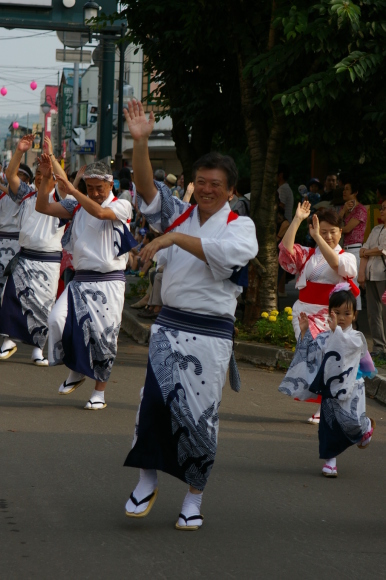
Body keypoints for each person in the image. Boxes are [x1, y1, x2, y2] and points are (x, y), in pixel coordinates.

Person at [122, 99, 258, 530]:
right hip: (170, 326)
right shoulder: (179, 212)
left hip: (212, 333)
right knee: (153, 406)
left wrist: (173, 240)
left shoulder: (240, 225)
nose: (206, 188)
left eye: (215, 183)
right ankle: (146, 480)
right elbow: (146, 191)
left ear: (231, 189)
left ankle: (193, 498)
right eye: (200, 181)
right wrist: (140, 143)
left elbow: (228, 255)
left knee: (199, 417)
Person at [35, 157, 135, 410]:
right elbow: (43, 208)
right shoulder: (78, 205)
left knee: (104, 338)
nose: (95, 192)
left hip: (109, 282)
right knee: (57, 320)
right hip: (80, 280)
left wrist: (76, 191)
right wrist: (47, 179)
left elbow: (100, 212)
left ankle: (99, 391)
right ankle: (77, 370)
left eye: (98, 187)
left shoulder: (122, 205)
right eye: (90, 187)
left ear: (110, 184)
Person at [278, 284, 375, 477]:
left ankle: (365, 427)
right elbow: (311, 354)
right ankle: (331, 461)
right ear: (329, 313)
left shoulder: (356, 337)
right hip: (330, 389)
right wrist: (305, 333)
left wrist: (336, 333)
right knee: (329, 426)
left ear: (355, 315)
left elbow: (348, 347)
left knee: (353, 423)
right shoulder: (324, 337)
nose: (341, 318)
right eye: (336, 312)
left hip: (353, 387)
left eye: (346, 313)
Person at [278, 201, 357, 424]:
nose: (329, 236)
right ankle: (326, 403)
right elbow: (286, 250)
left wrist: (318, 237)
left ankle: (326, 407)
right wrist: (297, 220)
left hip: (329, 316)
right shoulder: (309, 255)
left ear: (341, 232)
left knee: (327, 360)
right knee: (311, 360)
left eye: (332, 232)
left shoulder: (348, 257)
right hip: (304, 313)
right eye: (323, 232)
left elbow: (334, 262)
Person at [0, 134, 67, 364]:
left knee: (43, 306)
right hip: (25, 255)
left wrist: (52, 159)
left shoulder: (60, 198)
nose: (40, 178)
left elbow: (64, 179)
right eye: (37, 174)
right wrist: (19, 151)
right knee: (11, 296)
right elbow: (10, 176)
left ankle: (38, 349)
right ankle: (8, 339)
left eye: (44, 174)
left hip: (48, 260)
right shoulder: (26, 195)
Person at [358, 200, 386, 358]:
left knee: (385, 311)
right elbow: (364, 248)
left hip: (383, 274)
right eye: (381, 208)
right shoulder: (376, 229)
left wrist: (367, 252)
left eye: (384, 209)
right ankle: (378, 346)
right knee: (373, 311)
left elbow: (382, 250)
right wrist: (361, 272)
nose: (381, 211)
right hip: (371, 274)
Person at [339, 178, 367, 310]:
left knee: (353, 284)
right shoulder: (345, 209)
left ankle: (354, 315)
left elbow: (347, 228)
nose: (344, 191)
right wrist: (343, 211)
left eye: (347, 189)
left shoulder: (360, 209)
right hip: (345, 249)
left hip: (355, 249)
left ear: (355, 192)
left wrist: (335, 230)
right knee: (344, 283)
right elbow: (336, 223)